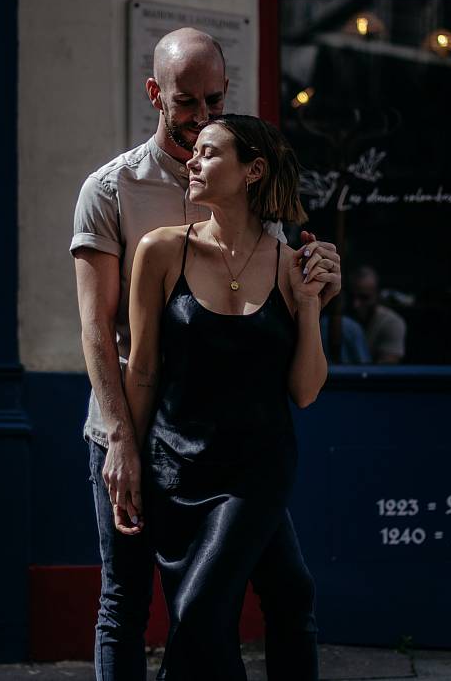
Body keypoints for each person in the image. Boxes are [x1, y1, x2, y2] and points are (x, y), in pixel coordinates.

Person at [72, 27, 340, 680]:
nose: (200, 121)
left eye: (213, 103)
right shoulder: (113, 190)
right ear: (155, 94)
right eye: (186, 103)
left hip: (238, 438)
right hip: (140, 425)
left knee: (281, 590)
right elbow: (100, 331)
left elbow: (275, 320)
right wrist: (122, 445)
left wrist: (314, 298)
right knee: (126, 599)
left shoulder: (253, 196)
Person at [116, 115, 330, 680]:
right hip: (176, 467)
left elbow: (305, 393)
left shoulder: (291, 267)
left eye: (209, 153)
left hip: (256, 470)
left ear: (252, 170)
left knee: (199, 608)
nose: (191, 160)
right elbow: (142, 370)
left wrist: (309, 309)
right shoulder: (162, 251)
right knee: (288, 591)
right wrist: (129, 457)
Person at [348, 266, 406, 364]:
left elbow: (386, 369)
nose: (356, 304)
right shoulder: (342, 319)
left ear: (377, 295)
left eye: (364, 297)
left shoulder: (391, 323)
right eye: (352, 296)